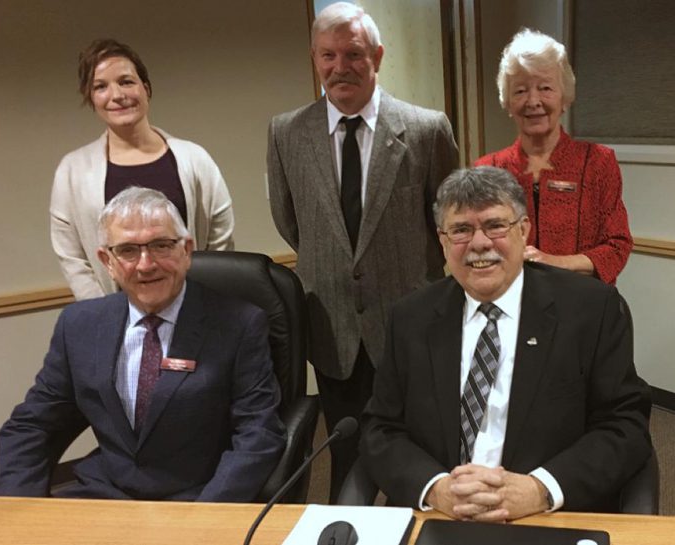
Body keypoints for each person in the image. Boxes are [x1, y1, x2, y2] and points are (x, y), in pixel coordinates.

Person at [361, 166, 651, 520]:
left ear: (524, 230)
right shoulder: (411, 317)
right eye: (461, 230)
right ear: (442, 240)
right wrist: (436, 488)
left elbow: (624, 426)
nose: (480, 243)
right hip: (440, 515)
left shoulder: (590, 309)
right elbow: (381, 428)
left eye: (496, 225)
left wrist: (540, 489)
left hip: (546, 517)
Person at [266, 2, 458, 501]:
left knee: (416, 456)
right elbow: (291, 222)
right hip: (333, 329)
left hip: (410, 325)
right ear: (314, 58)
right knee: (346, 450)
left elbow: (447, 225)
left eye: (352, 53)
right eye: (327, 55)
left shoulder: (425, 128)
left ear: (377, 55)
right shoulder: (286, 132)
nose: (339, 66)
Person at [0, 187, 285, 501]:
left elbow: (259, 434)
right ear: (107, 260)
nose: (146, 264)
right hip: (104, 494)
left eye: (161, 245)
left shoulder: (239, 324)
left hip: (197, 497)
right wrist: (19, 512)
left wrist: (206, 518)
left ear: (186, 250)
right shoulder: (79, 325)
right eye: (129, 250)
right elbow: (31, 425)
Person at [51, 38, 234, 301]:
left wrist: (200, 304)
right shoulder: (72, 171)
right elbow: (73, 258)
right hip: (114, 319)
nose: (117, 95)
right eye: (101, 86)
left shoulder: (194, 158)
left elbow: (220, 239)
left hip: (193, 311)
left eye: (126, 81)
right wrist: (106, 315)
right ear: (91, 98)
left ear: (145, 88)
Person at [475, 28, 631, 285]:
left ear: (565, 97)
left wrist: (552, 262)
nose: (533, 101)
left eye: (545, 88)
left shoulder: (598, 162)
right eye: (520, 91)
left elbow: (617, 247)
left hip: (584, 308)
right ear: (508, 102)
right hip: (514, 310)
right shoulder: (487, 171)